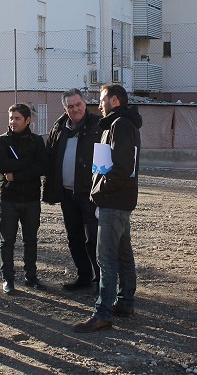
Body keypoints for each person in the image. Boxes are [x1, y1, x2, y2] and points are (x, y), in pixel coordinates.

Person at [73, 83, 142, 333]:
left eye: (102, 99)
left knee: (106, 258)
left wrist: (99, 191)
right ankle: (125, 302)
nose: (98, 104)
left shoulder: (120, 125)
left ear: (114, 100)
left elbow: (122, 168)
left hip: (114, 201)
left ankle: (102, 313)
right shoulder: (117, 124)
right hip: (118, 200)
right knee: (123, 254)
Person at [43, 88, 102, 291]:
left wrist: (102, 190)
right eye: (71, 106)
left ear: (85, 104)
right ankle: (84, 276)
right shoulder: (59, 127)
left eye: (78, 104)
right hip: (67, 194)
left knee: (93, 238)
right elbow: (49, 155)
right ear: (64, 108)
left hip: (90, 194)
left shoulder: (98, 126)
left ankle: (102, 280)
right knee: (74, 237)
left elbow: (106, 159)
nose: (75, 109)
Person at [0, 103, 49, 295]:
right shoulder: (1, 141)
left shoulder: (36, 141)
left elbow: (42, 166)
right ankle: (8, 279)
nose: (13, 122)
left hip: (31, 198)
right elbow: (2, 165)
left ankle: (30, 276)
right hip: (8, 199)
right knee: (7, 240)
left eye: (17, 118)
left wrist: (16, 174)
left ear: (27, 120)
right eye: (11, 118)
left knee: (30, 239)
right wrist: (28, 164)